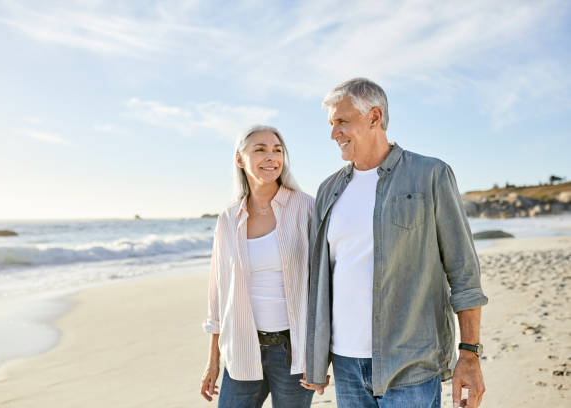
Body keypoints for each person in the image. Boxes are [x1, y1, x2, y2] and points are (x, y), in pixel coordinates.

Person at [300, 78, 488, 408]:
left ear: (374, 117)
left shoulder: (430, 174)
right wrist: (315, 360)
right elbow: (319, 281)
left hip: (411, 364)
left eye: (342, 122)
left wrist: (469, 354)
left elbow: (464, 272)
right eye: (332, 125)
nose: (334, 134)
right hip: (346, 365)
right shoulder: (328, 190)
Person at [200, 125, 315, 407]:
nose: (271, 157)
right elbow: (218, 295)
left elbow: (326, 284)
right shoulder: (228, 218)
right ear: (240, 159)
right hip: (241, 348)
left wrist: (319, 353)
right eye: (260, 150)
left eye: (277, 150)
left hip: (294, 353)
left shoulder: (306, 208)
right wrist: (213, 360)